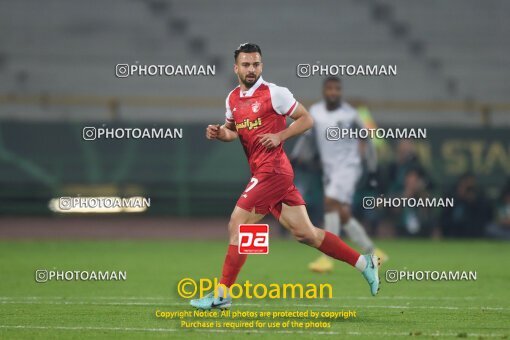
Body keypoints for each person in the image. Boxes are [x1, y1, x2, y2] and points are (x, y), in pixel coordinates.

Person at [190, 43, 380, 310]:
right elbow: (232, 131)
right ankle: (364, 263)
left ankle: (222, 294)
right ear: (236, 68)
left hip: (274, 171)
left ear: (261, 66)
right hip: (266, 173)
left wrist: (280, 135)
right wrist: (221, 134)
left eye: (256, 64)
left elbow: (306, 119)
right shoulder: (232, 98)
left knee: (238, 223)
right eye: (246, 64)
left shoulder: (275, 93)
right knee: (307, 234)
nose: (251, 69)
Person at [293, 76, 388, 273]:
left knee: (329, 204)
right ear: (324, 91)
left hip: (349, 167)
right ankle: (373, 251)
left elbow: (367, 140)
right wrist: (296, 156)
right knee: (341, 212)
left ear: (340, 91)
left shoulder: (350, 114)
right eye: (330, 89)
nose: (333, 92)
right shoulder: (316, 112)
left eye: (337, 89)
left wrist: (372, 170)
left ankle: (327, 258)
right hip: (330, 171)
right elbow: (307, 136)